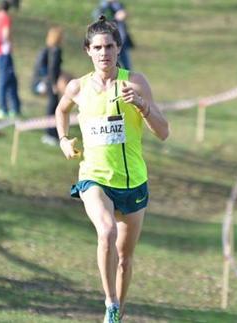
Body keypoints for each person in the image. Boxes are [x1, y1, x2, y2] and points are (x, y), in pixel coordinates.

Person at [54, 16, 169, 322]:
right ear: (87, 51)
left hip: (133, 181)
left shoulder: (135, 82)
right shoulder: (78, 87)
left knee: (124, 259)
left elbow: (163, 131)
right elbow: (60, 110)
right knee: (105, 230)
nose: (103, 52)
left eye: (109, 46)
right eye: (97, 47)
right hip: (95, 177)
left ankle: (118, 312)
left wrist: (142, 105)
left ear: (119, 49)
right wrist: (64, 139)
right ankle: (110, 302)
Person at [33, 26, 64, 146]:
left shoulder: (49, 49)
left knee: (53, 107)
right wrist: (54, 84)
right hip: (51, 83)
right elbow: (52, 68)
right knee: (53, 108)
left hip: (49, 82)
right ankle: (50, 134)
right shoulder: (55, 51)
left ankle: (52, 133)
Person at [93, 0, 134, 70]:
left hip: (122, 41)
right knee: (114, 66)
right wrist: (115, 18)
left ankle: (125, 80)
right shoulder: (104, 6)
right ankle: (117, 80)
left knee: (127, 68)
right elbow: (99, 19)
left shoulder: (119, 5)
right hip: (111, 42)